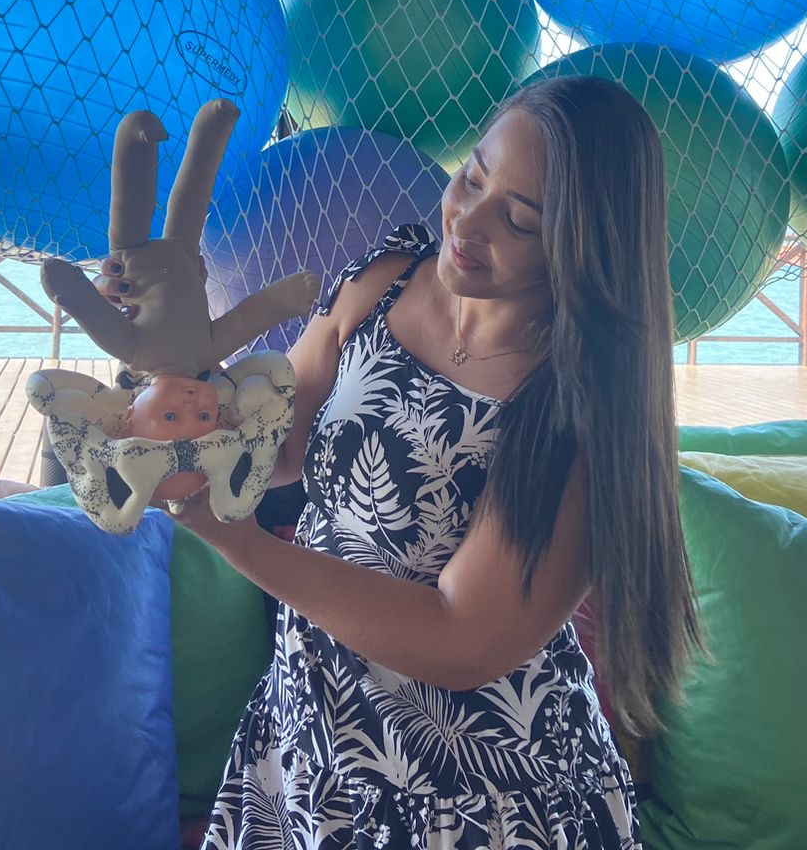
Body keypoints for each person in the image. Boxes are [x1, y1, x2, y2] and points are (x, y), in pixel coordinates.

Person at [96, 75, 701, 850]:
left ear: (584, 245)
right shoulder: (389, 275)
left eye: (518, 219)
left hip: (473, 803)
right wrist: (176, 360)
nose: (467, 222)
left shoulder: (581, 402)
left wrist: (235, 538)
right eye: (472, 177)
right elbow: (279, 445)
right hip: (311, 743)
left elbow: (461, 638)